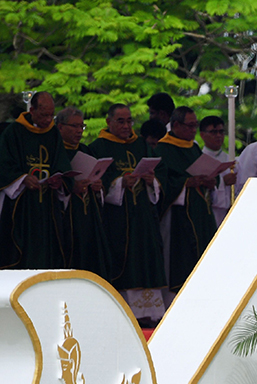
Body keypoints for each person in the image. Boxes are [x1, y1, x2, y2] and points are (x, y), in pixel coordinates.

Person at [90, 104, 167, 317]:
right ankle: (126, 312)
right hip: (118, 218)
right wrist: (119, 183)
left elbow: (159, 171)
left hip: (143, 215)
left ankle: (150, 312)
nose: (126, 126)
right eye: (120, 121)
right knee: (124, 258)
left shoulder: (140, 144)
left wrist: (153, 182)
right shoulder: (99, 147)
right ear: (109, 122)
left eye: (129, 121)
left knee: (147, 257)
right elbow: (96, 178)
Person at [0, 91, 72, 270]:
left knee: (48, 251)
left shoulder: (53, 134)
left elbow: (61, 163)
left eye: (51, 115)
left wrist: (59, 181)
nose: (48, 120)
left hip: (47, 205)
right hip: (23, 205)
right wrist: (23, 178)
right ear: (31, 110)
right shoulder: (13, 132)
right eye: (43, 115)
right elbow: (3, 164)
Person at [157, 106, 219, 292]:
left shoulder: (194, 148)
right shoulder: (163, 149)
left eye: (195, 126)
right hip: (177, 216)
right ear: (175, 125)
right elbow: (162, 183)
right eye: (190, 126)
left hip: (200, 212)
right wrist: (186, 183)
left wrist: (210, 180)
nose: (193, 131)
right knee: (180, 260)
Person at [56, 106, 113, 280]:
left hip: (90, 218)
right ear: (60, 127)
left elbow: (97, 180)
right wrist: (70, 186)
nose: (79, 131)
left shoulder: (86, 150)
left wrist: (98, 188)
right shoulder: (56, 151)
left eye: (82, 126)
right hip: (66, 218)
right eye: (74, 126)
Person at [198, 115, 236, 226]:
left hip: (228, 212)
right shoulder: (200, 159)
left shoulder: (230, 158)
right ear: (202, 135)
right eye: (214, 132)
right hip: (208, 212)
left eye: (221, 132)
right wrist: (223, 181)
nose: (218, 136)